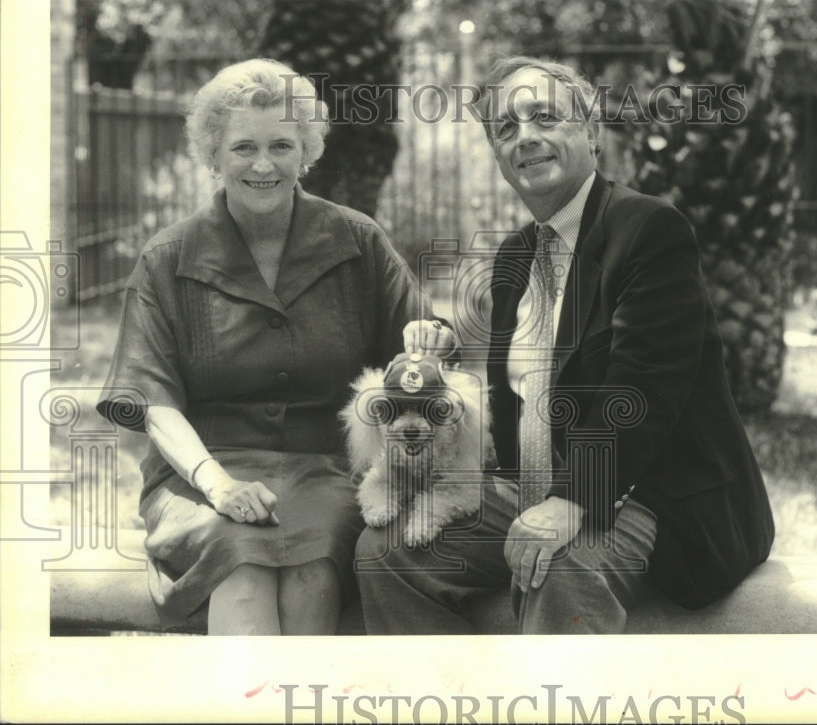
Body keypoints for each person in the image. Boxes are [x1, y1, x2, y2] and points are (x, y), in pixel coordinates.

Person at [355, 56, 775, 634]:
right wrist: (443, 355)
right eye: (505, 128)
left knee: (553, 561)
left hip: (652, 494)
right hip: (531, 484)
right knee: (386, 551)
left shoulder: (649, 231)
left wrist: (573, 501)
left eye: (544, 117)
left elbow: (643, 386)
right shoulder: (513, 257)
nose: (524, 137)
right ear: (501, 158)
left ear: (591, 133)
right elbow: (527, 387)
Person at [97, 58, 454, 635]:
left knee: (313, 571)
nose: (263, 165)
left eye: (281, 145)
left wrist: (426, 345)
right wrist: (217, 484)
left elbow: (419, 353)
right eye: (243, 147)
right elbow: (150, 398)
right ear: (213, 154)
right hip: (201, 473)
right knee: (241, 568)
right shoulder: (167, 258)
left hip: (325, 469)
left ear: (306, 151)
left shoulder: (357, 240)